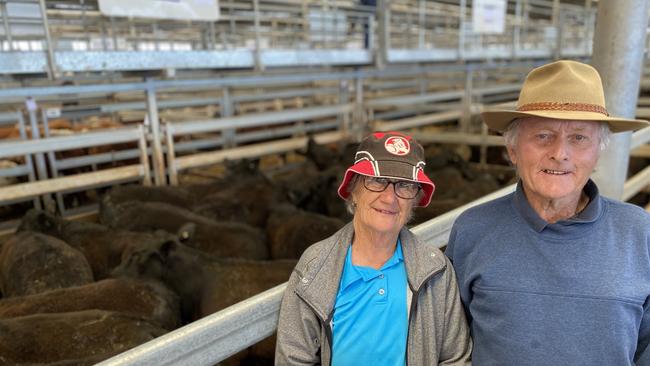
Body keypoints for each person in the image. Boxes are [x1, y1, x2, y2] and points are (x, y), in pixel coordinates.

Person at [446, 59, 650, 365]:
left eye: (579, 138)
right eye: (543, 135)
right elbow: (450, 344)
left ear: (597, 153)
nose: (560, 153)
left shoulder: (639, 232)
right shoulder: (472, 230)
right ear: (513, 150)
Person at [275, 131, 472, 365]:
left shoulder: (436, 270)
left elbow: (455, 359)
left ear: (415, 200)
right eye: (377, 180)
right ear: (354, 190)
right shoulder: (315, 266)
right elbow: (293, 360)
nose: (390, 198)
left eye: (405, 185)